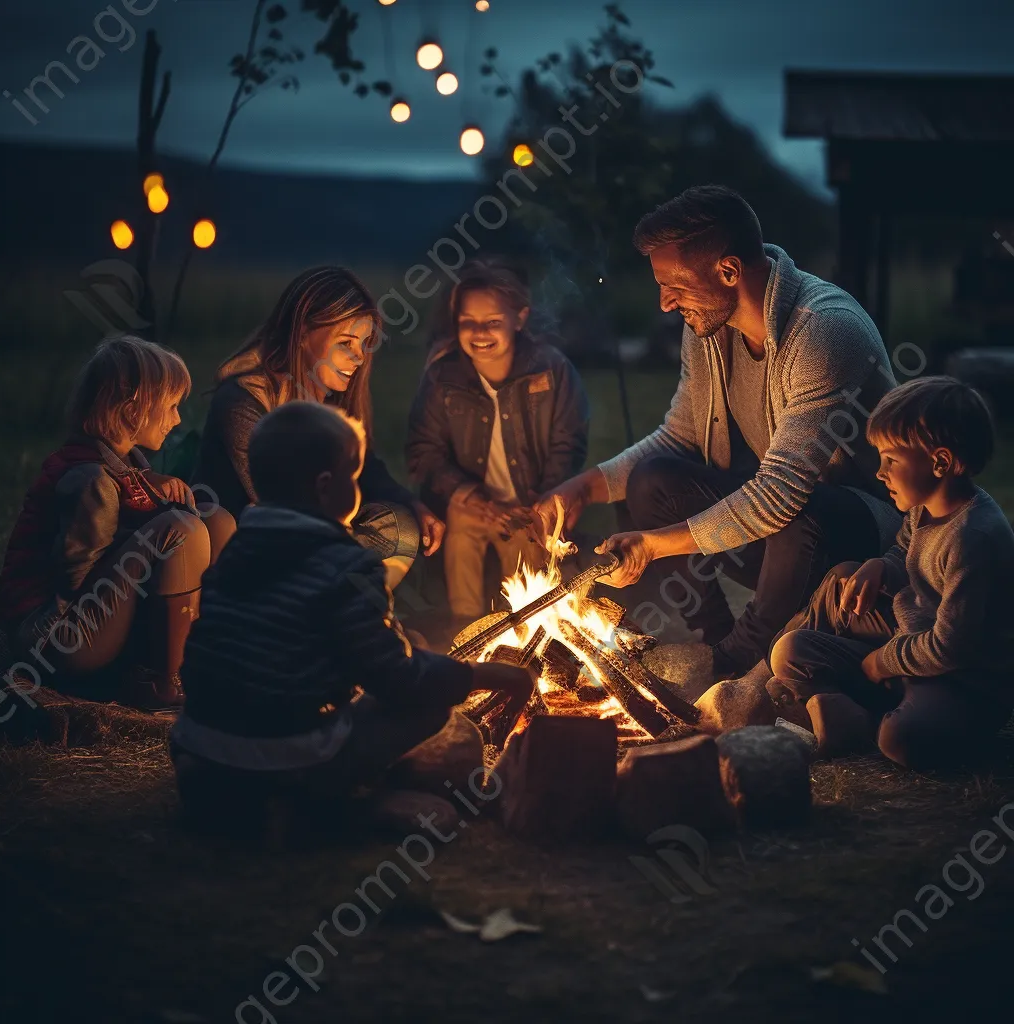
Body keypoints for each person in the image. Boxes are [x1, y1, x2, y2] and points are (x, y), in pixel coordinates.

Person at [536, 185, 900, 683]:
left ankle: (738, 659)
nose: (665, 303)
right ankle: (713, 639)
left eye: (674, 286)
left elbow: (781, 494)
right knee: (652, 479)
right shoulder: (709, 325)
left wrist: (655, 545)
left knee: (802, 507)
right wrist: (583, 488)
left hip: (861, 538)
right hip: (779, 535)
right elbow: (679, 435)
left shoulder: (824, 331)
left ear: (728, 271)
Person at [170, 401, 532, 829]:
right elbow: (395, 678)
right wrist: (479, 675)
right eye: (355, 477)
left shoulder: (236, 549)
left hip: (199, 749)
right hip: (290, 754)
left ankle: (241, 798)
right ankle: (324, 810)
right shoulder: (347, 564)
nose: (360, 490)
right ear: (326, 486)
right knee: (428, 703)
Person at [767, 377, 1014, 770]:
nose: (880, 473)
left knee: (900, 739)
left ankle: (859, 721)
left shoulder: (975, 538)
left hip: (965, 680)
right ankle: (835, 698)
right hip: (910, 638)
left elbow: (952, 648)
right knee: (798, 640)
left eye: (891, 460)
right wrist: (881, 566)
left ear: (941, 462)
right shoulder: (922, 507)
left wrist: (882, 661)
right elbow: (905, 551)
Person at [0, 336, 236, 708]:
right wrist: (149, 524)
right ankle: (164, 683)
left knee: (213, 519)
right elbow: (77, 581)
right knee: (180, 530)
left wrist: (145, 497)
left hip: (86, 621)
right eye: (171, 406)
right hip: (53, 638)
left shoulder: (124, 466)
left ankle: (199, 657)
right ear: (131, 410)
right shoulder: (90, 480)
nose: (176, 419)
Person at [192, 265, 443, 589]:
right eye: (345, 343)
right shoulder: (243, 401)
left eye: (364, 344)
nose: (358, 357)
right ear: (302, 332)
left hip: (309, 536)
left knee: (400, 527)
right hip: (253, 544)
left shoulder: (326, 397)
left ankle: (355, 614)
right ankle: (332, 620)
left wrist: (411, 504)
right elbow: (277, 500)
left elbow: (363, 466)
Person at [406, 261, 590, 623]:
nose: (479, 332)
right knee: (461, 521)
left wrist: (544, 500)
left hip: (527, 500)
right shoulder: (444, 377)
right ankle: (468, 631)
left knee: (527, 543)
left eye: (492, 321)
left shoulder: (550, 370)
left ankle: (531, 633)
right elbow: (423, 453)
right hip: (470, 502)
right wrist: (474, 498)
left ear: (519, 318)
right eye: (467, 322)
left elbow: (567, 444)